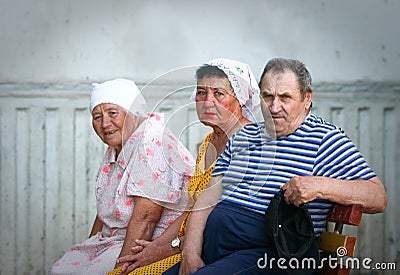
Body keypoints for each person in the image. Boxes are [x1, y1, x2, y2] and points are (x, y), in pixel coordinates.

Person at [168, 58, 387, 275]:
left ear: (307, 98)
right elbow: (207, 199)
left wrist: (320, 186)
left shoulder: (325, 139)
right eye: (268, 96)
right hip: (214, 253)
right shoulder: (244, 136)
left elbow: (377, 196)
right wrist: (190, 253)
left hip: (267, 255)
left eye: (285, 98)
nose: (274, 107)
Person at [107, 58, 260, 275]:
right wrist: (156, 246)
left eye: (219, 94)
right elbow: (192, 210)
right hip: (186, 242)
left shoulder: (249, 141)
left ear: (240, 99)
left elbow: (218, 216)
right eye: (201, 93)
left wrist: (169, 249)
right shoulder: (209, 142)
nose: (207, 102)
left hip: (216, 248)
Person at [50, 78, 195, 274]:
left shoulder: (151, 140)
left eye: (112, 113)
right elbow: (104, 213)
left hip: (149, 243)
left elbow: (146, 218)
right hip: (111, 240)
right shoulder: (118, 145)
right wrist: (88, 246)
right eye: (97, 116)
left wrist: (120, 271)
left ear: (133, 113)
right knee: (61, 270)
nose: (105, 124)